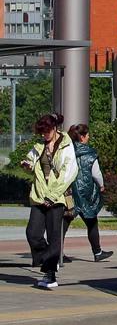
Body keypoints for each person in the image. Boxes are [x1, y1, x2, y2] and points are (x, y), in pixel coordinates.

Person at [20, 113, 78, 290]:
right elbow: (32, 163)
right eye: (40, 133)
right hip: (39, 196)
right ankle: (49, 260)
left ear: (54, 128)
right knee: (33, 233)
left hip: (56, 197)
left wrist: (53, 195)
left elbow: (70, 172)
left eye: (45, 132)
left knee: (54, 235)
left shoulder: (66, 145)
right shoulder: (39, 146)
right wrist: (27, 166)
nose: (43, 136)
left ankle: (50, 273)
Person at [65, 124, 114, 263]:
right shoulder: (90, 153)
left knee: (64, 222)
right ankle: (97, 252)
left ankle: (56, 252)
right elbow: (96, 173)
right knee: (91, 221)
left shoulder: (66, 151)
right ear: (82, 137)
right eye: (87, 136)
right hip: (86, 191)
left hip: (69, 191)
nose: (87, 138)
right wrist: (101, 185)